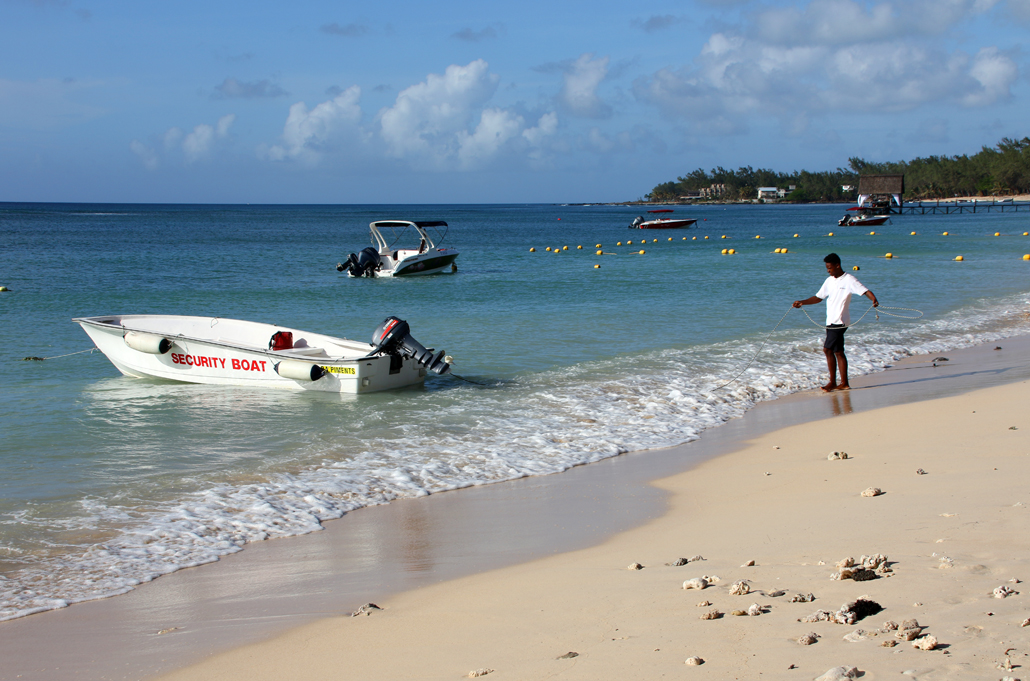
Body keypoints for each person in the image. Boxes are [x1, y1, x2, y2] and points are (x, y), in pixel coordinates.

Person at [793, 253, 878, 392]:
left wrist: (873, 299)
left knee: (827, 349)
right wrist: (802, 302)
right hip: (830, 321)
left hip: (841, 321)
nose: (828, 271)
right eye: (827, 268)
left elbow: (865, 290)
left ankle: (832, 382)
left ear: (837, 265)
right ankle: (844, 383)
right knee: (838, 351)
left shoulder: (849, 279)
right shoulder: (829, 281)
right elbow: (818, 297)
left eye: (830, 268)